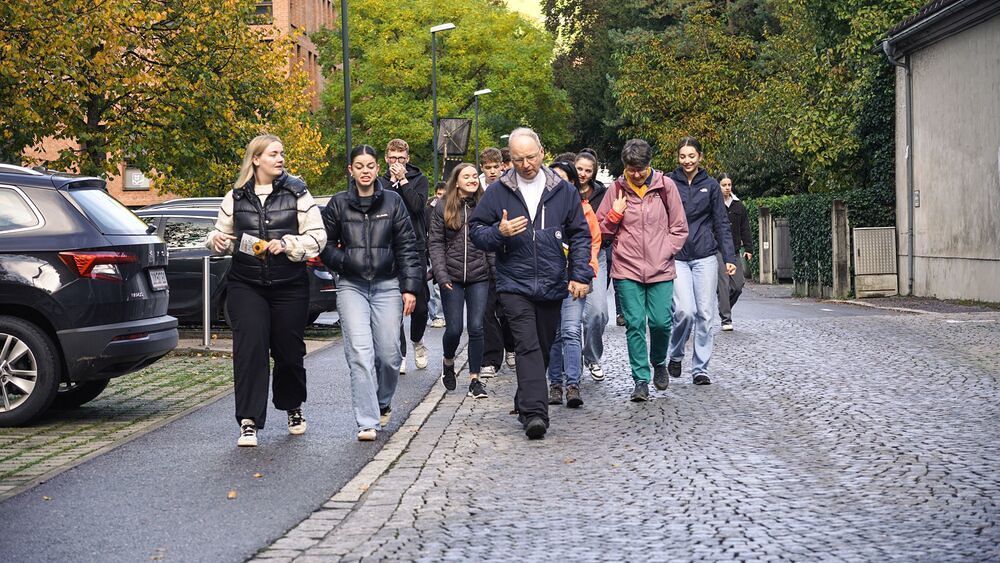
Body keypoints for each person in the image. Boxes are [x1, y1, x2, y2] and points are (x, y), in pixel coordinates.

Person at [469, 127, 592, 440]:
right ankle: (536, 414)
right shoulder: (498, 191)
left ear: (542, 153)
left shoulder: (562, 191)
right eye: (519, 158)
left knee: (545, 347)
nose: (526, 164)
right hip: (514, 282)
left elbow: (580, 234)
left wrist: (579, 274)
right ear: (510, 158)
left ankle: (525, 398)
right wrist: (501, 232)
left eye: (531, 157)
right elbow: (477, 231)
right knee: (527, 345)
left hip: (552, 282)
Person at [206, 134, 327, 447]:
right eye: (273, 154)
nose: (280, 158)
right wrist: (215, 241)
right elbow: (220, 235)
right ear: (256, 159)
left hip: (289, 283)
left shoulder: (297, 191)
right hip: (246, 284)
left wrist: (288, 243)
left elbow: (318, 237)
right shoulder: (235, 196)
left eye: (282, 153)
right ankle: (248, 421)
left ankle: (292, 406)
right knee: (250, 350)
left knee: (288, 352)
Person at [321, 145, 422, 441]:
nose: (365, 171)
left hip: (387, 284)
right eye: (359, 166)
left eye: (370, 166)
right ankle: (367, 421)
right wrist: (344, 261)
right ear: (350, 170)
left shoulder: (393, 202)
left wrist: (410, 288)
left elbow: (408, 246)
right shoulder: (338, 204)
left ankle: (381, 402)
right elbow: (323, 244)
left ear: (378, 169)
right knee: (361, 354)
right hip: (351, 286)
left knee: (390, 355)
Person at [596, 139, 688, 400]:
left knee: (660, 322)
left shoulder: (665, 187)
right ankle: (640, 380)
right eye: (630, 169)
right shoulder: (615, 190)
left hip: (660, 267)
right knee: (635, 324)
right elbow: (601, 230)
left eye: (641, 169)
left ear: (650, 165)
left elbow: (680, 227)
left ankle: (659, 361)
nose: (636, 174)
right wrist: (614, 215)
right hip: (626, 268)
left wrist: (666, 250)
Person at [666, 137, 737, 386]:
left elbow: (721, 223)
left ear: (700, 157)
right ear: (678, 157)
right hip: (677, 256)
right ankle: (675, 354)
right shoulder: (668, 183)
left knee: (705, 314)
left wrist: (729, 257)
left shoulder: (711, 186)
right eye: (683, 156)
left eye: (692, 156)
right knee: (685, 311)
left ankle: (700, 368)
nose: (687, 160)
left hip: (706, 255)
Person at [428, 163, 492, 399]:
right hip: (451, 276)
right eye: (467, 176)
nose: (473, 179)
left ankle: (475, 380)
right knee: (454, 329)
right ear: (456, 181)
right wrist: (441, 274)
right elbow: (434, 243)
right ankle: (448, 361)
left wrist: (493, 272)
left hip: (479, 276)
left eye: (475, 175)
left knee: (476, 326)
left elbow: (492, 241)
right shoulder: (442, 206)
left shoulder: (485, 205)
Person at [546, 161, 601, 408]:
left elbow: (591, 245)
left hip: (574, 279)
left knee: (570, 330)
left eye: (563, 179)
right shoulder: (541, 208)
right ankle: (555, 383)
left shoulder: (584, 209)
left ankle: (572, 384)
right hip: (548, 280)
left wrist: (584, 276)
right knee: (555, 333)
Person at [382, 139, 431, 374]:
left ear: (408, 159)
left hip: (414, 246)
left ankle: (417, 340)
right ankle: (399, 351)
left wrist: (402, 181)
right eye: (393, 158)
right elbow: (383, 208)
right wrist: (391, 184)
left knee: (420, 306)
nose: (397, 163)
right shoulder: (380, 182)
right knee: (394, 305)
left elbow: (417, 206)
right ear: (386, 159)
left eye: (401, 159)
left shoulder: (419, 180)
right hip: (389, 248)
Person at [480, 148, 517, 378]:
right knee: (486, 310)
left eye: (496, 167)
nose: (493, 171)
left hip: (505, 252)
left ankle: (511, 346)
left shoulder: (509, 187)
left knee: (507, 308)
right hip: (481, 254)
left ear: (502, 166)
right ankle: (491, 358)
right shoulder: (476, 187)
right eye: (488, 167)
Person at [575, 149, 611, 382]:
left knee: (598, 312)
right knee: (570, 314)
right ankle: (572, 357)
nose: (583, 174)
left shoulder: (603, 194)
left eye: (588, 170)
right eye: (579, 169)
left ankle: (592, 356)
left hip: (597, 255)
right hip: (569, 256)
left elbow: (609, 223)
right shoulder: (565, 190)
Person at [717, 173, 754, 331]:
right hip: (717, 249)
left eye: (729, 185)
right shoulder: (714, 204)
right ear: (718, 186)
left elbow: (745, 228)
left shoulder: (739, 206)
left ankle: (724, 307)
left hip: (734, 250)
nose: (727, 188)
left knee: (738, 285)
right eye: (724, 185)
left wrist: (749, 248)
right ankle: (726, 319)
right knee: (724, 285)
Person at [427, 182, 446, 329]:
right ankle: (434, 315)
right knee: (429, 287)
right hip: (428, 250)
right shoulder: (428, 209)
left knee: (439, 285)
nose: (441, 197)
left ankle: (439, 315)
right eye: (439, 194)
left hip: (442, 251)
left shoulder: (449, 208)